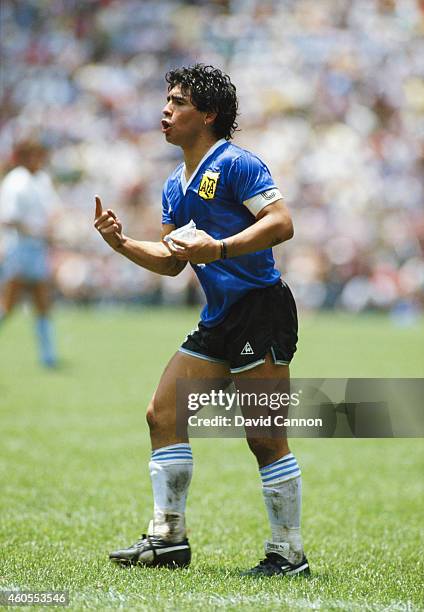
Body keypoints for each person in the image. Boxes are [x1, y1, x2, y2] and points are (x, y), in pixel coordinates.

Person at [94, 64, 309, 577]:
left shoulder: (237, 164)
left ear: (208, 114)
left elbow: (282, 223)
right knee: (162, 414)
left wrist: (220, 248)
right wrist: (120, 243)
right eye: (167, 100)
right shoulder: (174, 185)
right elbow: (172, 262)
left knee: (264, 438)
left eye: (178, 102)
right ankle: (167, 538)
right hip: (219, 317)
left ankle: (288, 554)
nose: (165, 110)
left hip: (262, 308)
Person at [0, 139, 59, 367]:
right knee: (9, 302)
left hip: (37, 247)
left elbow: (52, 210)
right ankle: (48, 356)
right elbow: (9, 219)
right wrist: (36, 230)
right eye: (33, 155)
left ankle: (48, 356)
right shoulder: (16, 181)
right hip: (20, 248)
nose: (38, 160)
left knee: (43, 301)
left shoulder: (41, 179)